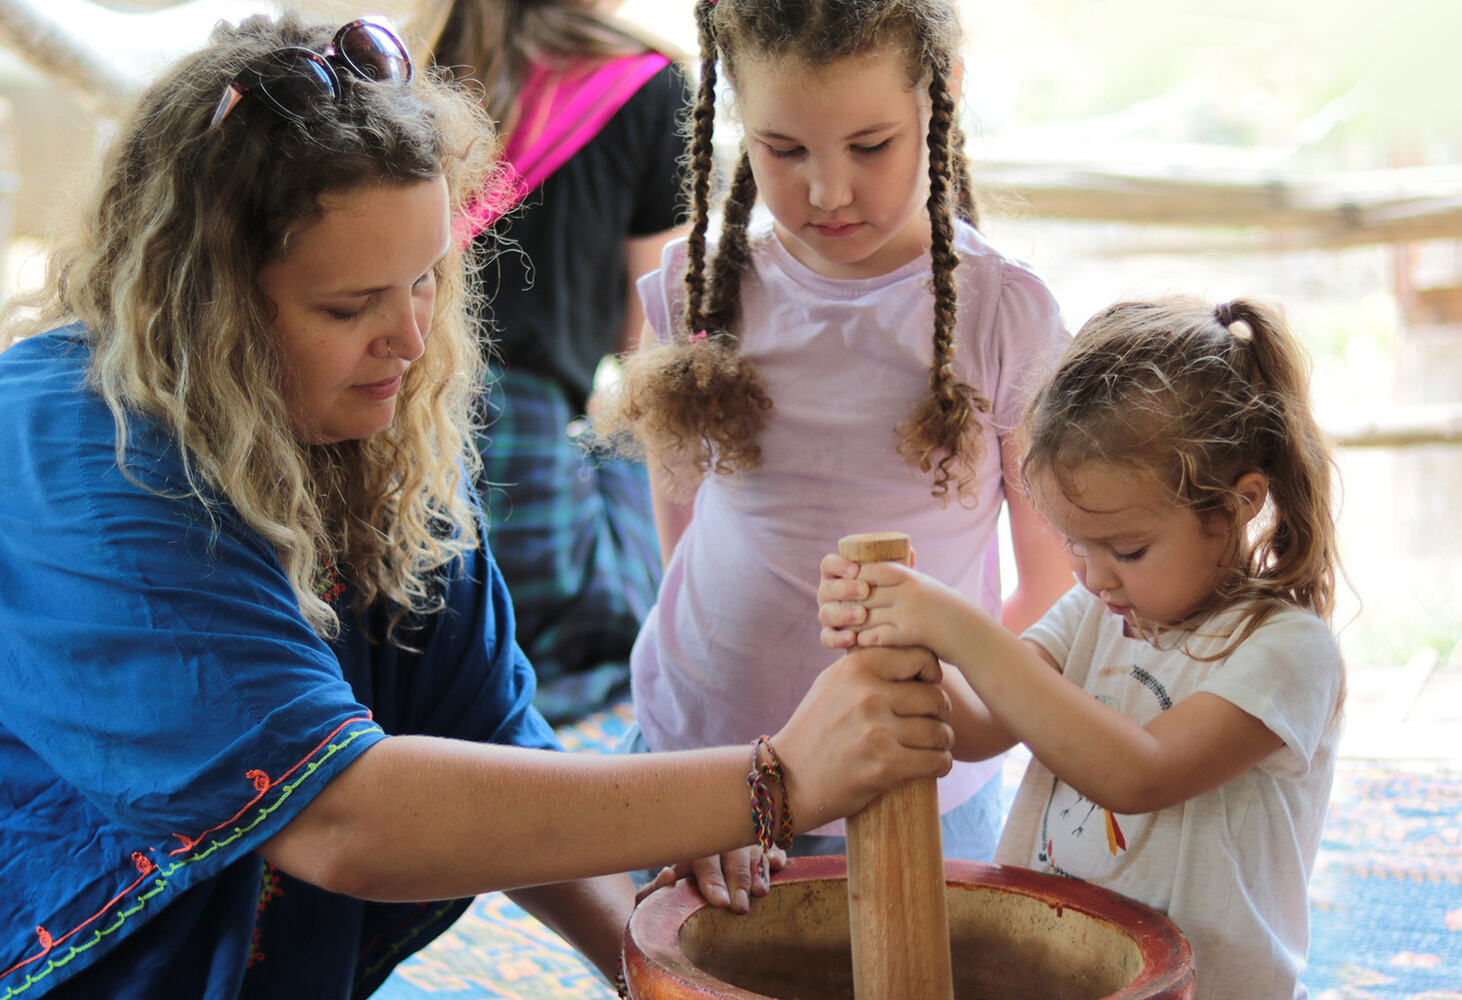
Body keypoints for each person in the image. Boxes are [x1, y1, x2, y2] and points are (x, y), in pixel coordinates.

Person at [0, 15, 958, 998]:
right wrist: (770, 781)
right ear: (208, 307)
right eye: (349, 306)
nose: (411, 340)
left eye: (426, 280)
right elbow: (345, 818)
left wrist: (644, 961)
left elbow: (489, 735)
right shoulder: (71, 451)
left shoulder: (373, 428)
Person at [594, 0, 1074, 903]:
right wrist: (705, 761)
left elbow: (1051, 588)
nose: (828, 191)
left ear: (942, 95)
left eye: (869, 145)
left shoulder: (1005, 315)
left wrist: (966, 722)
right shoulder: (701, 290)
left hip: (914, 776)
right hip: (704, 754)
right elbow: (680, 503)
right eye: (784, 151)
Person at [818, 295, 1345, 1000]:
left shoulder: (1285, 653)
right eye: (1071, 543)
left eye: (1126, 548)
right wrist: (898, 633)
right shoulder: (1093, 614)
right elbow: (976, 728)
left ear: (1240, 502)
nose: (1094, 575)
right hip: (1054, 974)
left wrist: (959, 626)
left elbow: (1138, 774)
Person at [421, 0, 693, 724]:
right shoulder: (650, 86)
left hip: (405, 430)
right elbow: (657, 339)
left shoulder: (426, 61)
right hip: (524, 460)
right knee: (644, 628)